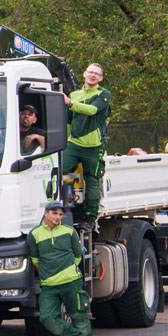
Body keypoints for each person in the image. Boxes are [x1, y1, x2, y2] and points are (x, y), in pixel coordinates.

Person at [30, 200, 95, 336]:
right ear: (45, 213)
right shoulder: (34, 234)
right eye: (54, 213)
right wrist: (49, 275)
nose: (58, 217)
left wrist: (68, 270)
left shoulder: (69, 231)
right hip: (49, 285)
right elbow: (35, 261)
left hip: (71, 282)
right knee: (47, 317)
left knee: (79, 316)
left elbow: (77, 255)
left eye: (60, 214)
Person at [66, 64, 112, 227]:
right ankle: (59, 207)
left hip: (94, 146)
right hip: (73, 143)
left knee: (91, 180)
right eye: (90, 72)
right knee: (57, 171)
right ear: (84, 73)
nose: (92, 75)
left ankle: (90, 218)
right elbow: (69, 121)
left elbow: (92, 110)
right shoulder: (74, 94)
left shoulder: (103, 94)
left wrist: (70, 102)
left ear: (100, 78)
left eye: (97, 74)